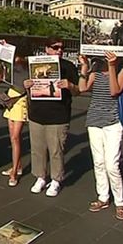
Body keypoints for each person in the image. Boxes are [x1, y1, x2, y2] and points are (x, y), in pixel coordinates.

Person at [78, 52, 123, 221]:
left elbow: (114, 91)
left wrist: (112, 65)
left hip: (113, 121)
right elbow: (83, 88)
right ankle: (103, 197)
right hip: (94, 119)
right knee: (98, 162)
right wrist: (85, 67)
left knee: (112, 165)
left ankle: (120, 201)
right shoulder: (96, 66)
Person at [23, 37, 80, 197]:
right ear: (47, 49)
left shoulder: (68, 66)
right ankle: (40, 177)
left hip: (58, 115)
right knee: (37, 149)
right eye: (55, 47)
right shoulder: (36, 65)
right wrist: (27, 85)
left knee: (56, 150)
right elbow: (30, 87)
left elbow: (78, 91)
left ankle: (56, 180)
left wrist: (69, 86)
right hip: (37, 114)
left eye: (62, 48)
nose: (59, 50)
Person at [0, 50, 30, 187]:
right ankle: (16, 166)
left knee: (15, 137)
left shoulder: (26, 66)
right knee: (13, 136)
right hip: (11, 99)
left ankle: (14, 172)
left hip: (20, 100)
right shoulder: (10, 65)